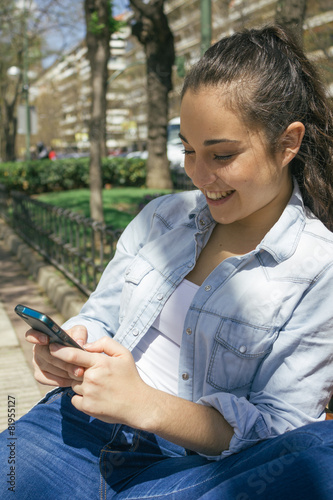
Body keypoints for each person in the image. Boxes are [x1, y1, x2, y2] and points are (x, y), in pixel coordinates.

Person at [1, 24, 333, 499]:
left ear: (288, 143)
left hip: (193, 470)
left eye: (220, 154)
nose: (199, 175)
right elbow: (101, 315)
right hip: (78, 430)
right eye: (189, 151)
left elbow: (280, 432)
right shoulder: (164, 218)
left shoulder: (319, 267)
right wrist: (74, 346)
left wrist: (145, 405)